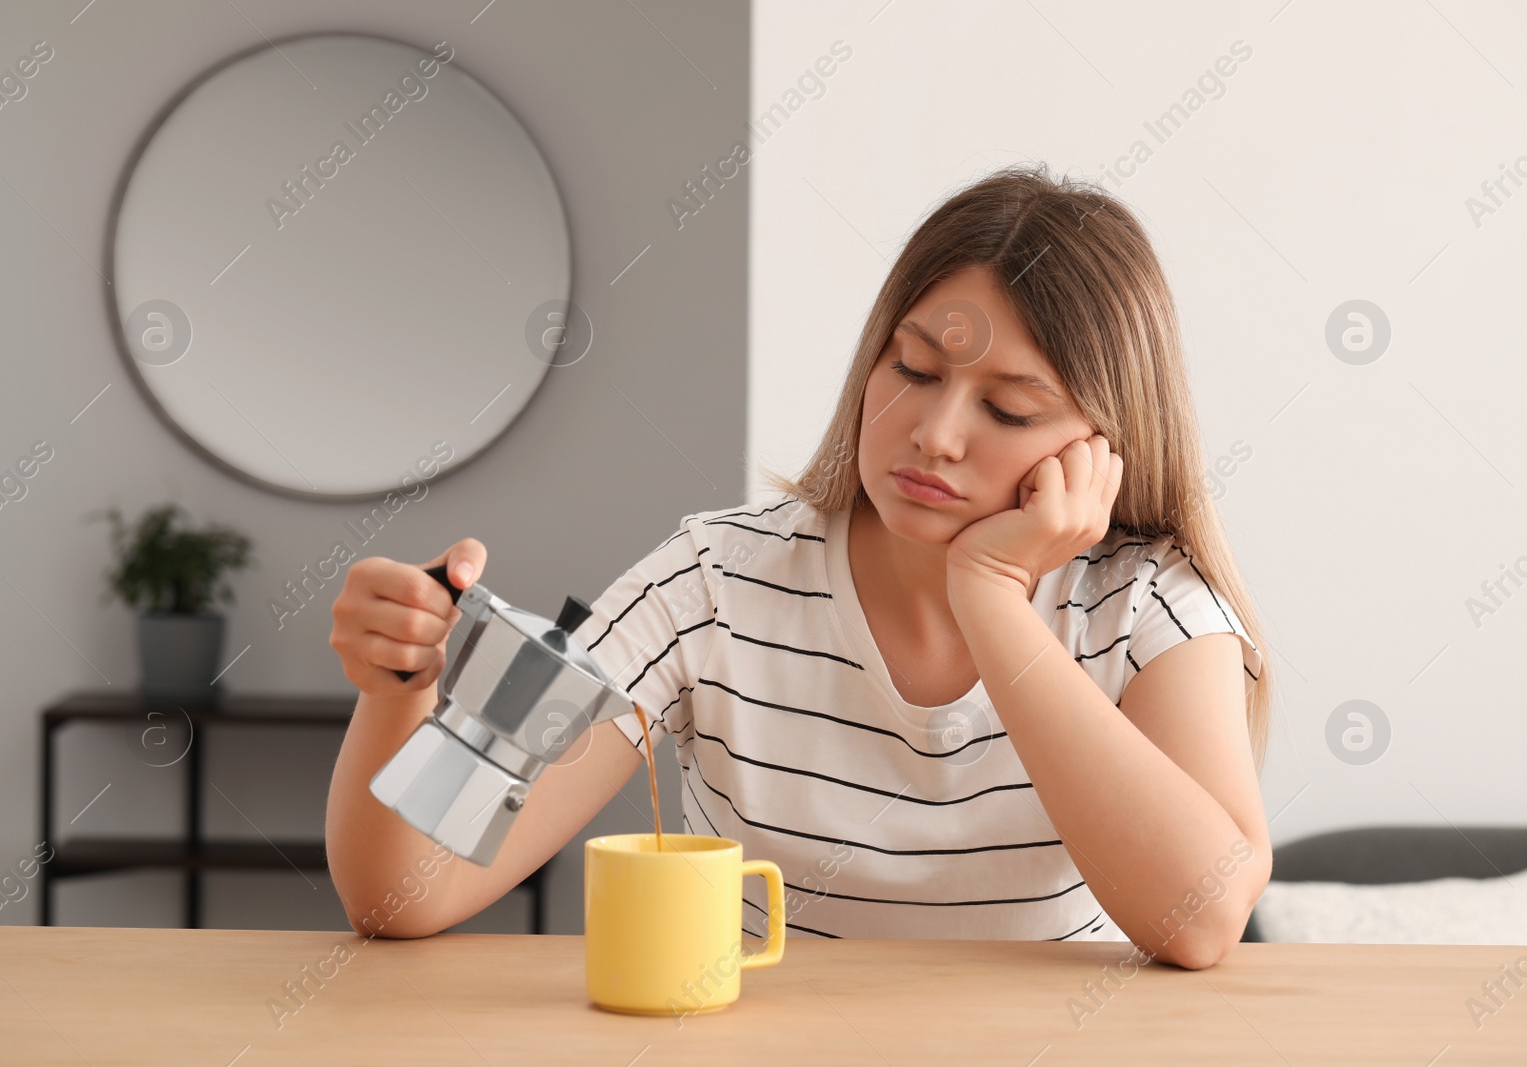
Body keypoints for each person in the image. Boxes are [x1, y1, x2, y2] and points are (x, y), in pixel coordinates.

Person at [325, 162, 1273, 969]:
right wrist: (400, 688)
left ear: (1103, 447)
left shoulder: (1153, 605)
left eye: (1011, 411)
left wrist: (990, 598)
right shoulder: (707, 579)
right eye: (912, 369)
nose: (935, 434)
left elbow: (1203, 919)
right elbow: (407, 893)